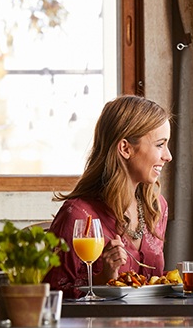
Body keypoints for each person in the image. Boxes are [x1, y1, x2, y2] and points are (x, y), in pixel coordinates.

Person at [45, 95, 173, 299]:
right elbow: (52, 295)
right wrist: (102, 279)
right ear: (125, 148)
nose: (168, 156)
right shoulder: (78, 215)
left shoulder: (156, 207)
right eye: (160, 145)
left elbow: (152, 283)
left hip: (151, 326)